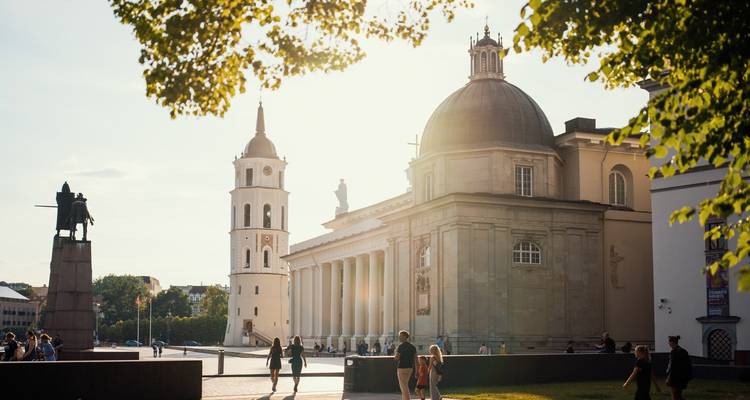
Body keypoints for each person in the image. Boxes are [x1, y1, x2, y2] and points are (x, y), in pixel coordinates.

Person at [666, 336, 692, 400]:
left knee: (675, 395)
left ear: (672, 342)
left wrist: (669, 378)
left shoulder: (674, 352)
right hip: (682, 377)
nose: (668, 344)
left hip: (675, 377)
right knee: (678, 395)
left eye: (669, 342)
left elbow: (672, 366)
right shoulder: (683, 351)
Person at [394, 330, 417, 400]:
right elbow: (416, 359)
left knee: (403, 385)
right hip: (410, 368)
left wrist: (395, 353)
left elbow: (396, 358)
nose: (399, 338)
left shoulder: (400, 347)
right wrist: (417, 370)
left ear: (404, 337)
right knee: (405, 384)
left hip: (402, 367)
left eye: (400, 336)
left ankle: (407, 399)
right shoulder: (413, 347)